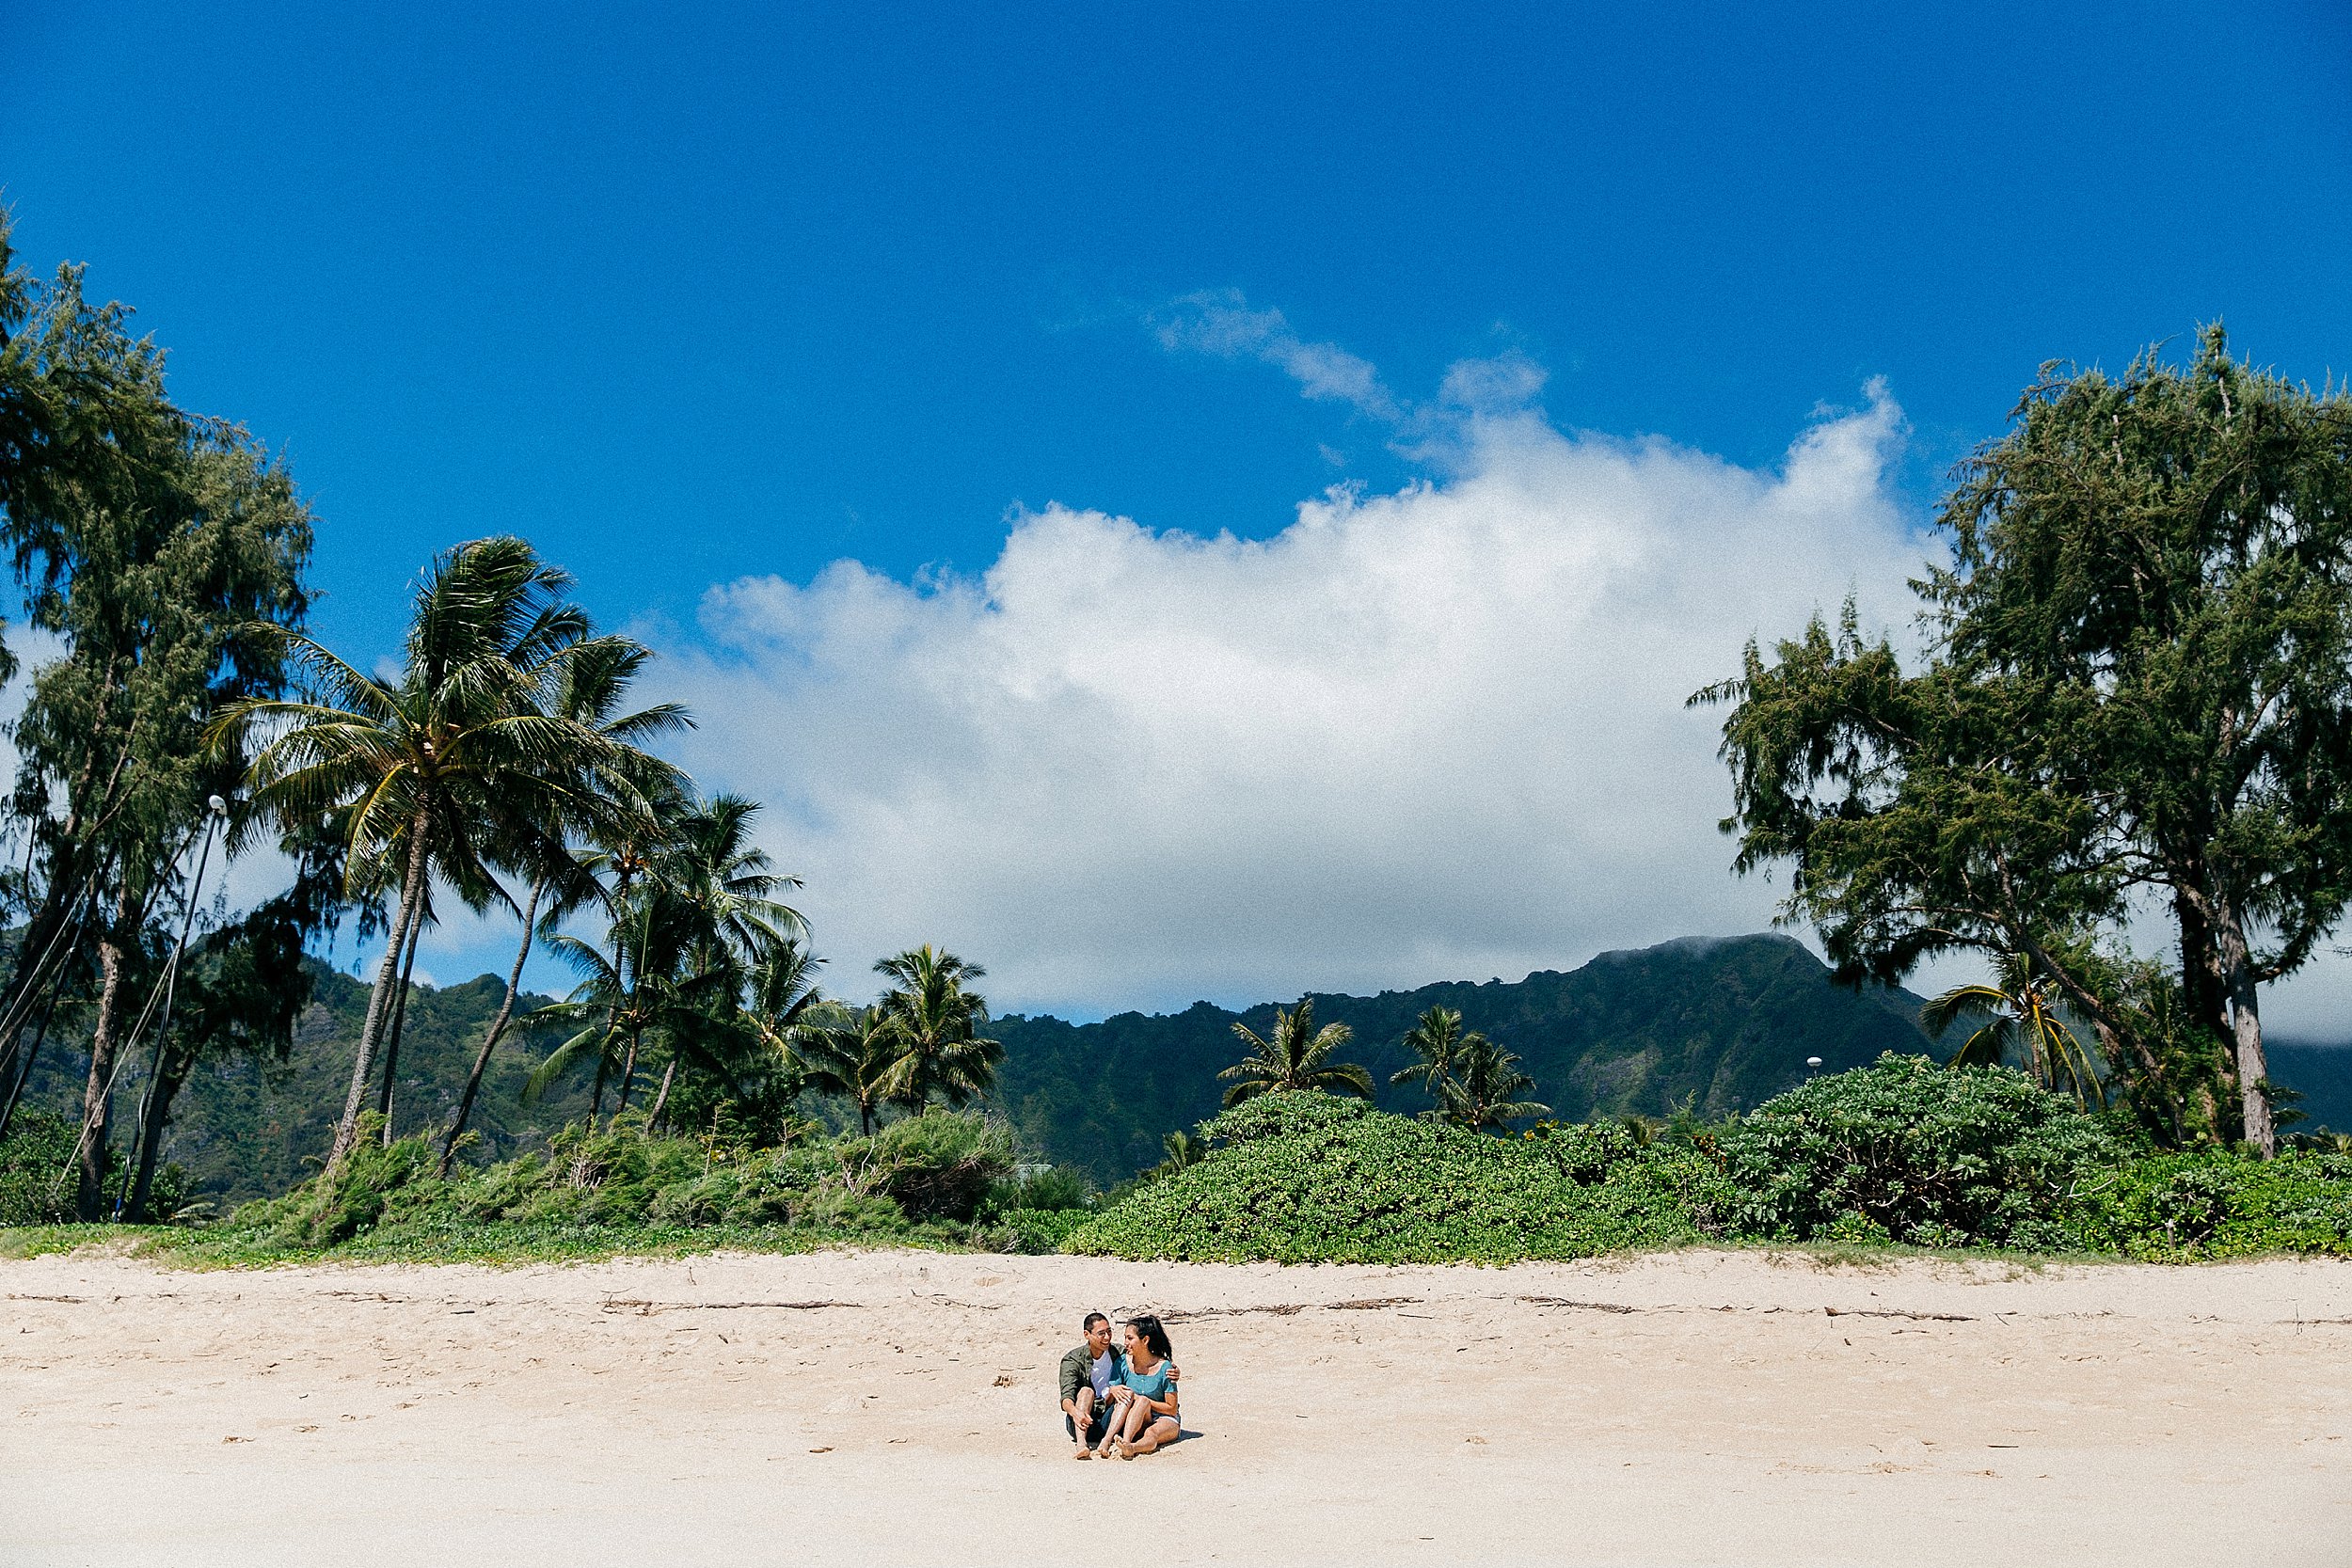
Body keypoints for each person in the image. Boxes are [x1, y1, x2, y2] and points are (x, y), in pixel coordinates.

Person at [1100, 1313, 1180, 1459]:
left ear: (1145, 1340)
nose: (1125, 1342)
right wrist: (1113, 1388)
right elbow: (1114, 1395)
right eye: (1125, 1337)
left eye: (1130, 1338)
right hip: (1136, 1416)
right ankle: (1114, 1440)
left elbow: (1171, 1408)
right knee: (1134, 1399)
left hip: (1164, 1418)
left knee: (1150, 1428)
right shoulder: (1123, 1362)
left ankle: (1132, 1447)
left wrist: (1145, 1401)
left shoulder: (1165, 1367)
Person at [1058, 1311, 1122, 1458]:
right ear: (1087, 1335)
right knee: (1086, 1391)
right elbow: (1066, 1397)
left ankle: (1107, 1441)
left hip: (1109, 1418)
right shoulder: (1073, 1360)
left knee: (1122, 1393)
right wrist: (1076, 1413)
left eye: (1109, 1331)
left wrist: (1171, 1368)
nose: (1107, 1337)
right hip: (1081, 1421)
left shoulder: (1118, 1353)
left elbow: (1146, 1358)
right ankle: (1081, 1445)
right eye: (1101, 1333)